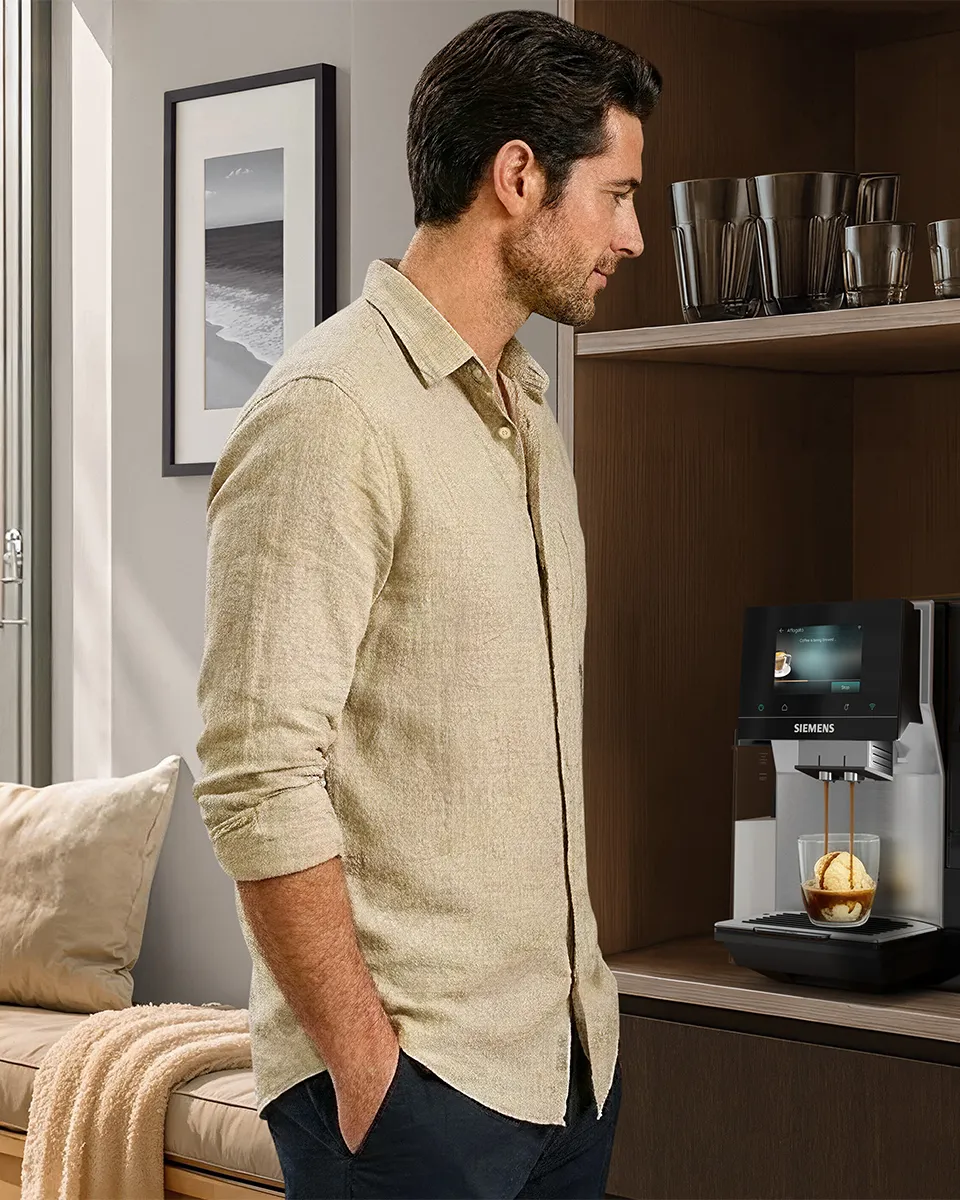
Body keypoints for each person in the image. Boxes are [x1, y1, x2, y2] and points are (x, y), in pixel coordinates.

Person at [193, 12, 660, 1198]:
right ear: (518, 178)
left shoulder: (528, 417)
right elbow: (256, 773)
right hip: (414, 1092)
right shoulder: (329, 413)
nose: (634, 234)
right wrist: (365, 1068)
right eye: (614, 194)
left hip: (562, 1071)